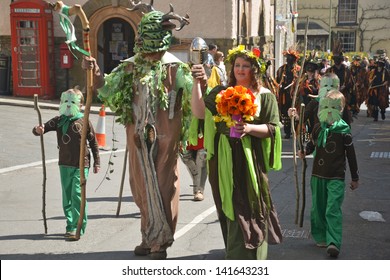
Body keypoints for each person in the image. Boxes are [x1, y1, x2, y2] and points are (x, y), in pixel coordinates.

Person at [85, 2, 191, 259]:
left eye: (155, 51)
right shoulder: (130, 67)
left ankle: (161, 241)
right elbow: (110, 92)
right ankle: (148, 236)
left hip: (165, 139)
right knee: (140, 186)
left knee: (163, 187)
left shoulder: (176, 69)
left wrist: (199, 82)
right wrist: (97, 76)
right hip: (137, 138)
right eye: (147, 50)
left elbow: (193, 102)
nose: (151, 56)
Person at [191, 46, 283, 260]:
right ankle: (234, 251)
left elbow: (273, 128)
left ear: (254, 70)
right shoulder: (221, 92)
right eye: (238, 66)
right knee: (228, 203)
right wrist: (197, 82)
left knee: (251, 202)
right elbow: (198, 112)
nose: (241, 70)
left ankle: (249, 254)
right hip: (223, 158)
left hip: (251, 158)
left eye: (246, 66)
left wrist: (249, 129)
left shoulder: (265, 95)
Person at [32, 87, 100, 240]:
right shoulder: (59, 120)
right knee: (67, 197)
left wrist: (97, 162)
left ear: (80, 105)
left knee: (77, 195)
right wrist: (38, 130)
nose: (68, 105)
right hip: (64, 164)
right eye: (65, 101)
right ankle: (70, 225)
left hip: (81, 165)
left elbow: (94, 143)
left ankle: (78, 227)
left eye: (72, 102)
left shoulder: (84, 120)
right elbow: (42, 129)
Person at [298, 90, 359, 258]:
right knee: (318, 208)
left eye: (333, 108)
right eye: (325, 107)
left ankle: (333, 241)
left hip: (336, 177)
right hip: (317, 175)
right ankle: (320, 235)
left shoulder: (344, 131)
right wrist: (305, 151)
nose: (329, 111)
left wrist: (355, 178)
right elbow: (313, 144)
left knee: (332, 209)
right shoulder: (318, 127)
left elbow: (351, 156)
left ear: (340, 109)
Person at [275, 46, 300, 139]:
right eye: (287, 59)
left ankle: (295, 130)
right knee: (285, 113)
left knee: (295, 111)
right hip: (284, 95)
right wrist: (280, 86)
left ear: (295, 60)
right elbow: (277, 81)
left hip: (295, 95)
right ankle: (287, 131)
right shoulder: (281, 69)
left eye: (291, 59)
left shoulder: (299, 70)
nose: (289, 61)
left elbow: (301, 81)